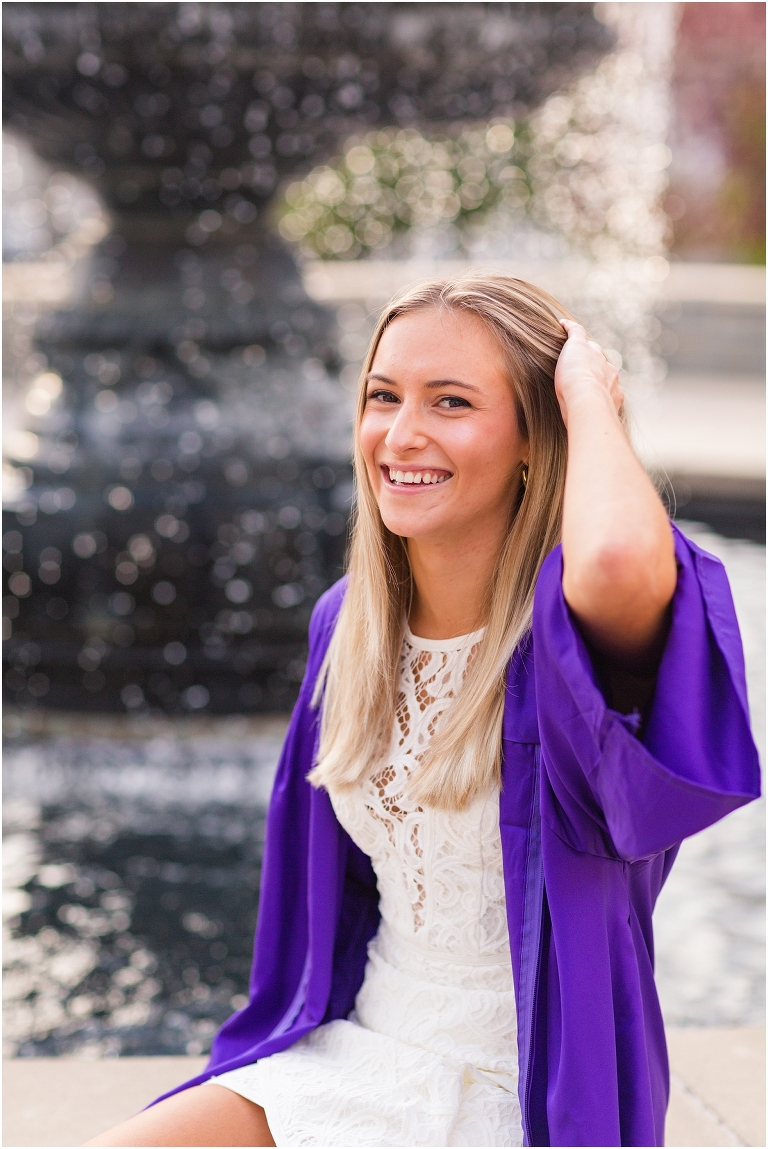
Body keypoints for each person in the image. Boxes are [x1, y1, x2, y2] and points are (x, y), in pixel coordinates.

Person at [87, 275, 759, 1148]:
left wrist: (589, 398)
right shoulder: (350, 627)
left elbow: (621, 561)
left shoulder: (564, 648)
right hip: (356, 1053)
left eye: (451, 401)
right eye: (383, 396)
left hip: (523, 1088)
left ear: (533, 437)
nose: (402, 434)